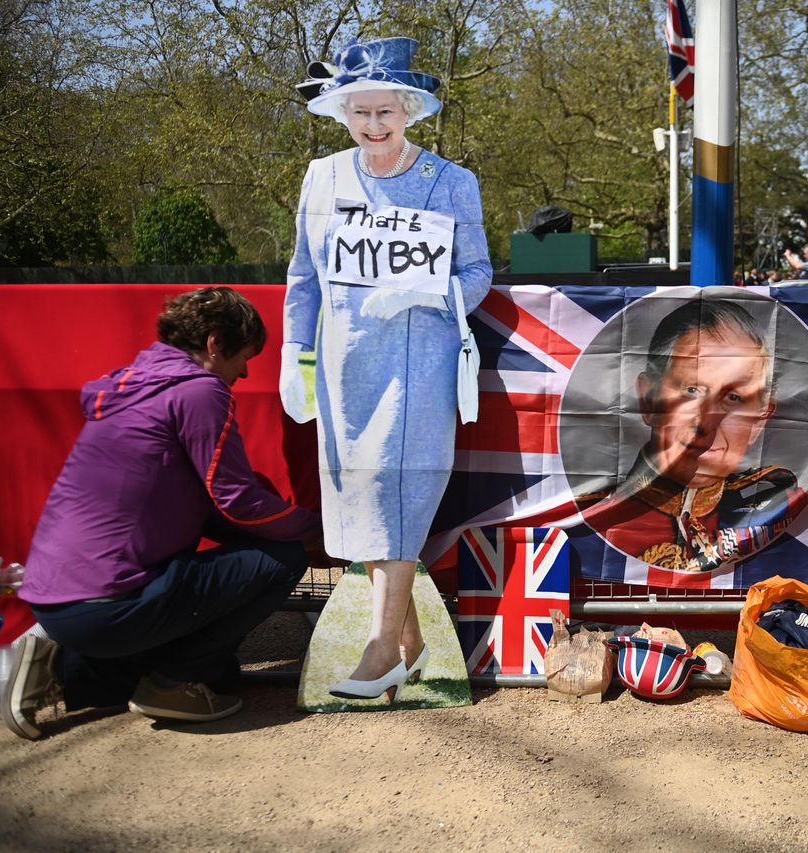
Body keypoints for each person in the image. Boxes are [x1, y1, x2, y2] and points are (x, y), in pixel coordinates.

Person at [1, 288, 323, 739]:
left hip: (53, 599)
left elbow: (206, 504)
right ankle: (174, 685)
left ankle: (62, 666)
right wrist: (317, 532)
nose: (245, 372)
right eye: (244, 357)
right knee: (283, 559)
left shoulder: (134, 386)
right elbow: (238, 501)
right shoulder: (199, 391)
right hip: (110, 605)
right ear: (215, 343)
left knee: (223, 667)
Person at [284, 36, 493, 701]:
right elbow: (303, 276)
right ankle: (409, 643)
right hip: (346, 365)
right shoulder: (323, 177)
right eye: (361, 113)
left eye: (385, 112)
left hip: (419, 366)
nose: (374, 126)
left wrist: (434, 292)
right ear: (343, 112)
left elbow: (479, 270)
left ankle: (380, 650)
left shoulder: (452, 182)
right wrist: (296, 350)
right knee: (363, 494)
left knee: (401, 491)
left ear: (408, 109)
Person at [575, 297, 806, 572]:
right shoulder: (588, 516)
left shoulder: (783, 509)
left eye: (734, 398)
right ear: (648, 399)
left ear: (759, 421)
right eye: (691, 391)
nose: (705, 422)